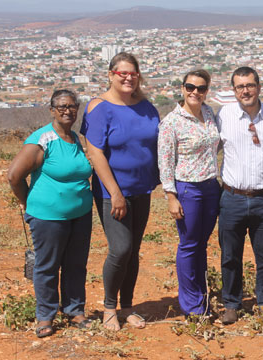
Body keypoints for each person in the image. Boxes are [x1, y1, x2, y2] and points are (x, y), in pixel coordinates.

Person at [80, 52, 160, 331]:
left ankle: (127, 307)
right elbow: (96, 151)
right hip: (112, 192)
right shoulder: (99, 107)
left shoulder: (147, 106)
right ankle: (109, 308)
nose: (128, 78)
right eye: (121, 73)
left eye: (132, 73)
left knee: (133, 250)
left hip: (142, 190)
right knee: (120, 248)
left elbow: (155, 144)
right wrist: (115, 192)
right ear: (110, 75)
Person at [7, 90, 93, 338]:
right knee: (47, 266)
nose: (68, 110)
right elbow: (14, 176)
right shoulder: (43, 139)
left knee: (76, 264)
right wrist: (29, 204)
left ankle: (75, 310)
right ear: (52, 109)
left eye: (72, 106)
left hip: (80, 214)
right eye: (62, 106)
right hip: (48, 217)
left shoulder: (76, 138)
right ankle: (45, 316)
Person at [216, 66, 263, 324]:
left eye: (249, 85)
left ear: (259, 87)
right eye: (239, 86)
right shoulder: (224, 115)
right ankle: (231, 304)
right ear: (233, 90)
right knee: (229, 256)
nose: (245, 90)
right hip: (232, 198)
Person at [158, 69, 220, 316]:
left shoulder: (209, 112)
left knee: (201, 244)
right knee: (188, 244)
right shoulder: (171, 122)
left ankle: (201, 294)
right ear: (182, 89)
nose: (195, 92)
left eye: (201, 88)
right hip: (187, 188)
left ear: (207, 90)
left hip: (211, 186)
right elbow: (165, 161)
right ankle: (191, 304)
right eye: (190, 87)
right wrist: (171, 196)